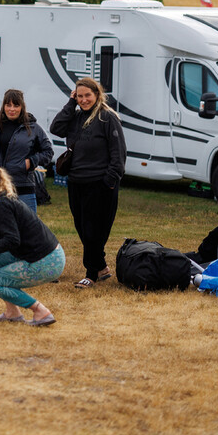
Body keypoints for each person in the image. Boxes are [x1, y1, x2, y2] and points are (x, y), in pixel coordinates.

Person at [49, 77, 126, 289]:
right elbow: (56, 127)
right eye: (80, 96)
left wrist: (110, 180)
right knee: (82, 228)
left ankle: (91, 274)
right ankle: (101, 266)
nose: (84, 100)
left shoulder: (107, 118)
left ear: (97, 94)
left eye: (87, 95)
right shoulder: (74, 117)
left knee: (94, 231)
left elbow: (118, 153)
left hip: (100, 183)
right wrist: (70, 103)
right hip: (76, 182)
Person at [0, 164, 66, 326]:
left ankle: (41, 311)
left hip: (48, 261)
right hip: (44, 255)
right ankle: (12, 312)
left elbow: (12, 240)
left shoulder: (0, 204)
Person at [0, 89, 53, 213]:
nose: (11, 109)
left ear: (22, 107)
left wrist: (30, 162)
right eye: (8, 105)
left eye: (16, 105)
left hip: (23, 188)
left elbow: (48, 152)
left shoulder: (33, 128)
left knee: (27, 229)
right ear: (4, 106)